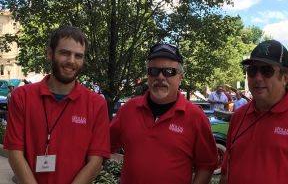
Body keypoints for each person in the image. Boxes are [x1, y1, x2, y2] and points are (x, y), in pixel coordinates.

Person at [3, 26, 110, 184]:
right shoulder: (22, 97)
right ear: (50, 54)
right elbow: (15, 153)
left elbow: (95, 161)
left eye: (78, 56)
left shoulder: (97, 104)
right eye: (65, 53)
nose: (71, 61)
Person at [219, 39, 288, 184]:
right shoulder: (238, 116)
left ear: (285, 78)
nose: (257, 78)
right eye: (252, 71)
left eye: (267, 71)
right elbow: (226, 172)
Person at [109, 43, 218, 184]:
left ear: (180, 77)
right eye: (153, 71)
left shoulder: (196, 117)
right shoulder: (128, 109)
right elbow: (102, 147)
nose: (160, 77)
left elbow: (206, 165)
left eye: (168, 71)